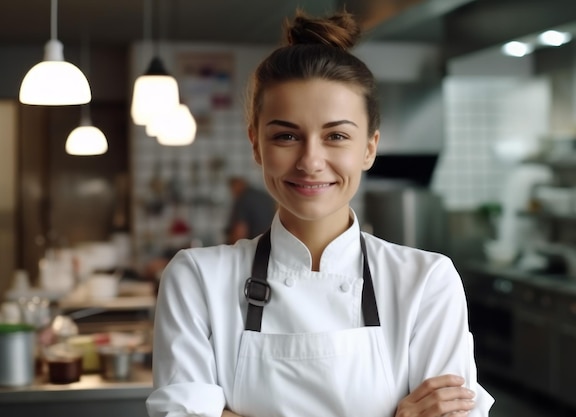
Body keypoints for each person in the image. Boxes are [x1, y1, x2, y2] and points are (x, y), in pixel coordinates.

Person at [146, 9, 494, 417]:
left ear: (369, 147)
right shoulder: (197, 279)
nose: (311, 161)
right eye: (287, 135)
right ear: (256, 145)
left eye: (337, 136)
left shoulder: (426, 282)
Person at [225, 176, 276, 244]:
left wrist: (232, 247)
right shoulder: (264, 196)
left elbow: (240, 230)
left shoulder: (243, 199)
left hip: (254, 244)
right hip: (271, 239)